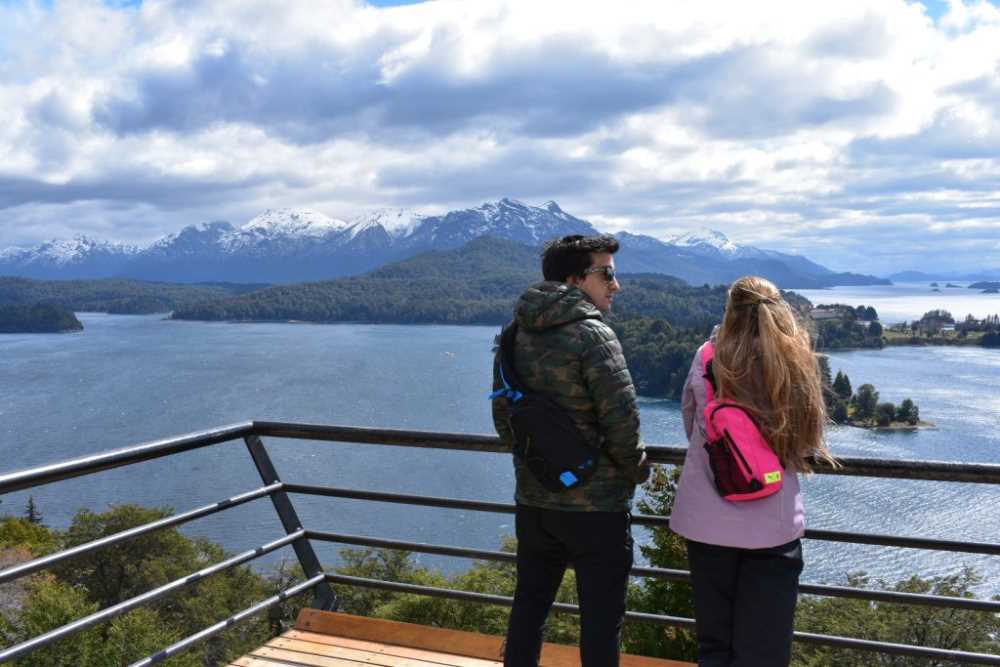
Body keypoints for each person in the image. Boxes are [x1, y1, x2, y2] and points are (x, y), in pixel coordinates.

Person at [491, 234, 650, 667]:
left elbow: (504, 421)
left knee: (529, 608)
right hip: (597, 509)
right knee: (601, 620)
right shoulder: (594, 335)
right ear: (576, 278)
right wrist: (636, 471)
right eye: (608, 274)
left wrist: (540, 468)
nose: (615, 285)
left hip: (535, 502)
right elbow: (622, 420)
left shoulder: (513, 334)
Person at [670, 275, 837, 667]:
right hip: (771, 527)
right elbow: (806, 443)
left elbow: (692, 420)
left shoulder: (708, 355)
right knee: (763, 652)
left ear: (729, 312)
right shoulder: (794, 359)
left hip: (706, 523)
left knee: (714, 645)